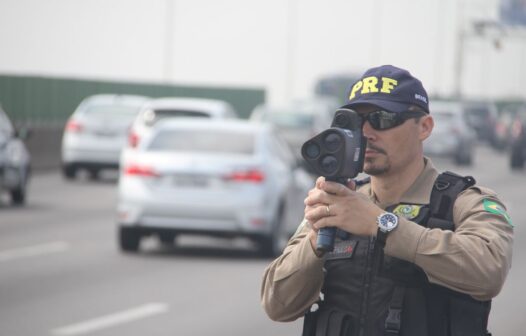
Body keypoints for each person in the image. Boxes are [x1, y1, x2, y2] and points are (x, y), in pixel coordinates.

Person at [260, 65, 513, 336]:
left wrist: (384, 225)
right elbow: (277, 305)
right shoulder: (339, 200)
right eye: (357, 121)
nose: (366, 132)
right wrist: (315, 240)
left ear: (424, 126)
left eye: (382, 118)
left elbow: (489, 271)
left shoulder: (464, 202)